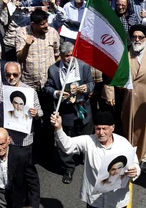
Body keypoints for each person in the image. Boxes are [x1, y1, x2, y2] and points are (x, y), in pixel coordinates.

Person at [105, 24, 146, 168]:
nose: (137, 40)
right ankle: (130, 154)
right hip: (128, 101)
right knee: (128, 127)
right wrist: (110, 94)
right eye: (134, 37)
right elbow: (111, 77)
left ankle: (145, 156)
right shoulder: (125, 54)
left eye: (140, 37)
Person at [51, 110, 140, 208]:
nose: (101, 133)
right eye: (98, 129)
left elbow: (135, 164)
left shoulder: (123, 144)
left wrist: (135, 171)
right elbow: (67, 146)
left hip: (117, 201)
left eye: (104, 129)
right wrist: (58, 128)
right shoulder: (88, 141)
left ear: (112, 128)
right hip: (95, 201)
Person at [43, 41, 94, 184]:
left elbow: (91, 82)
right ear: (60, 56)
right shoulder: (53, 70)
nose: (69, 58)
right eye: (66, 56)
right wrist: (56, 93)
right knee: (65, 140)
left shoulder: (83, 66)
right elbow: (47, 88)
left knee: (86, 136)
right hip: (66, 111)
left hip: (82, 109)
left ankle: (87, 160)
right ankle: (68, 168)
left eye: (71, 55)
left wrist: (87, 88)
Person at [0, 127, 41, 208]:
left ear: (9, 140)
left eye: (2, 144)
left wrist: (34, 205)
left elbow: (33, 182)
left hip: (18, 197)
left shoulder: (22, 155)